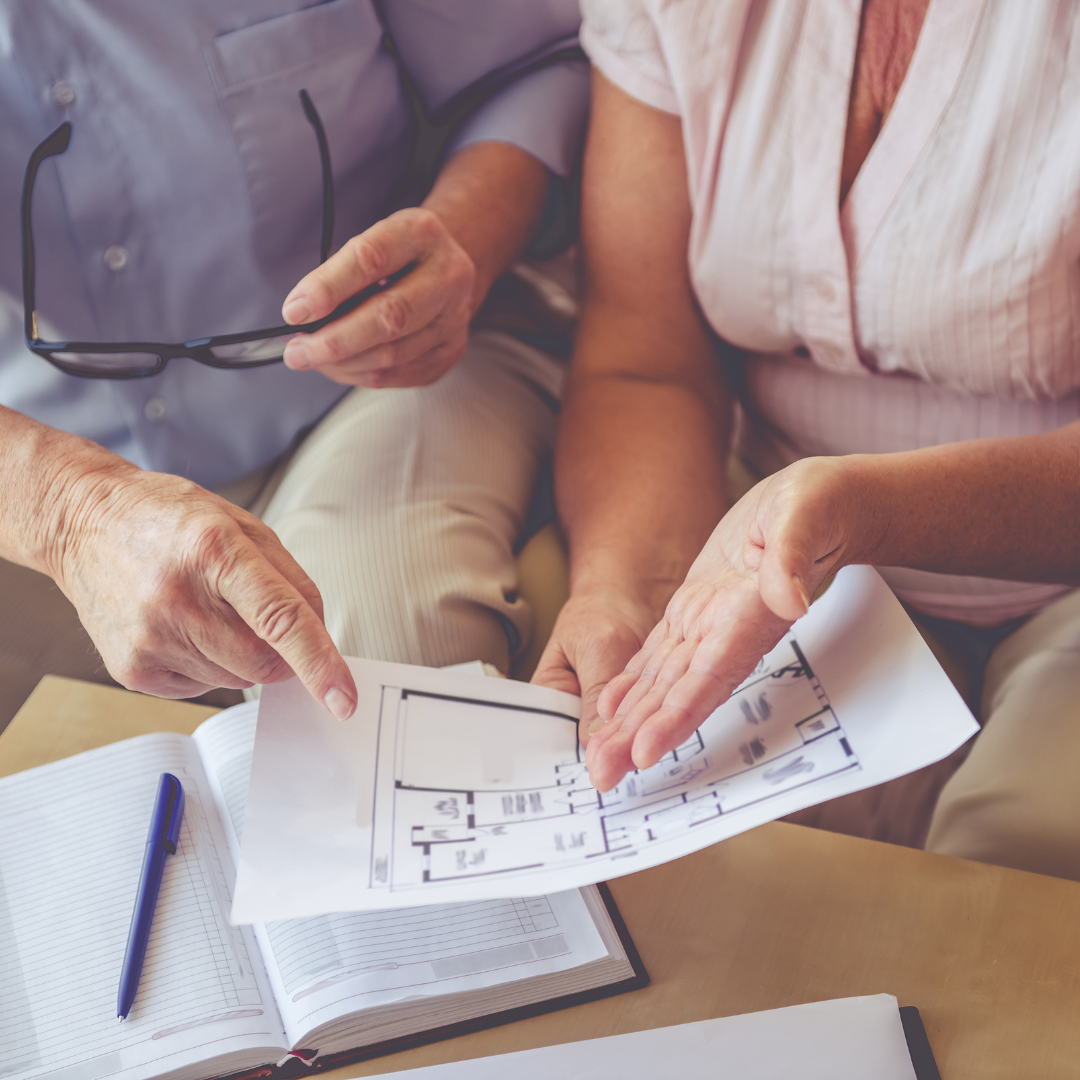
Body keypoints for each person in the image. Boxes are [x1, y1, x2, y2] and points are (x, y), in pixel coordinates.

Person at [534, 0, 1080, 880]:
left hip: (1055, 568)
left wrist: (870, 508)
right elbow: (646, 356)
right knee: (653, 837)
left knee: (1013, 866)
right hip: (766, 544)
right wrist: (634, 587)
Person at [0, 0, 587, 722]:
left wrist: (463, 238)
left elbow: (534, 70)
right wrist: (70, 512)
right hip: (29, 468)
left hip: (376, 382)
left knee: (369, 685)